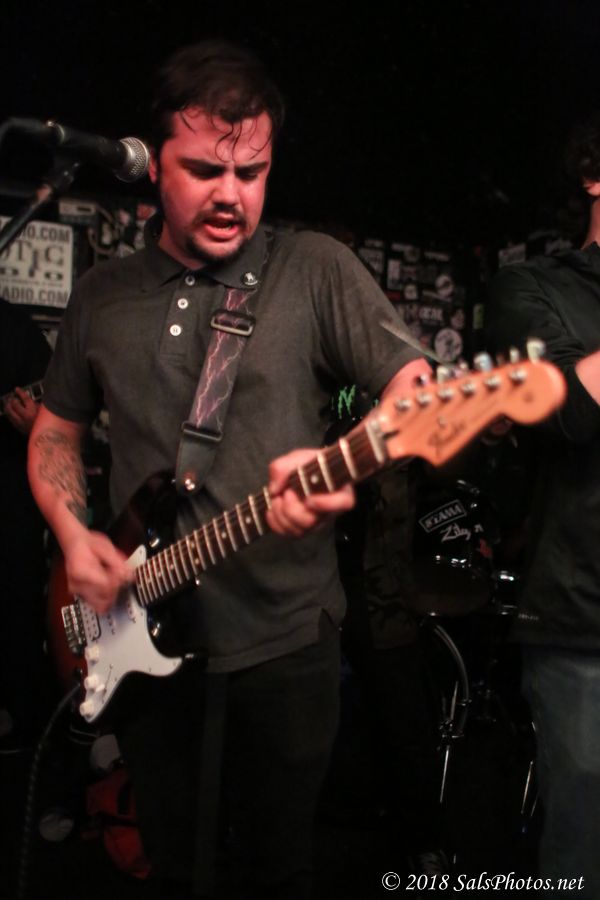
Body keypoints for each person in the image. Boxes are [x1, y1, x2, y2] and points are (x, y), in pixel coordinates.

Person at [27, 40, 430, 899]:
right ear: (153, 163)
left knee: (277, 870)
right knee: (174, 862)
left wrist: (338, 465)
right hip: (139, 627)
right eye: (206, 170)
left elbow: (416, 388)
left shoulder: (311, 268)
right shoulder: (102, 294)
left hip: (283, 643)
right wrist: (74, 533)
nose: (231, 195)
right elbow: (56, 432)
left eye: (252, 173)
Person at [484, 112, 600, 898]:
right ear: (593, 175)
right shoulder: (533, 288)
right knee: (584, 856)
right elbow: (564, 409)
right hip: (582, 627)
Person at [0, 297, 52, 752]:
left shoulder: (17, 329)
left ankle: (23, 722)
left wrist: (35, 424)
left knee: (18, 607)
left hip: (11, 502)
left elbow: (62, 411)